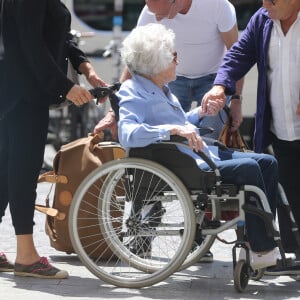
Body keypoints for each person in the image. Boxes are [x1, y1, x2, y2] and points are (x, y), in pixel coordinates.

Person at [116, 23, 294, 270]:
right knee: (250, 169)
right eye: (173, 55)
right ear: (155, 61)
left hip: (197, 155)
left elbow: (180, 123)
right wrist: (173, 130)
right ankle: (262, 247)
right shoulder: (132, 92)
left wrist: (200, 113)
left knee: (267, 162)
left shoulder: (162, 90)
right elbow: (127, 134)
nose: (178, 60)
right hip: (185, 166)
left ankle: (261, 240)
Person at [0, 0, 107, 278]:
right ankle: (26, 256)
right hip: (22, 95)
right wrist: (65, 87)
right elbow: (30, 45)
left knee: (5, 172)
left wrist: (86, 69)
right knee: (21, 174)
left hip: (16, 93)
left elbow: (58, 38)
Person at [201, 0, 300, 275]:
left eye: (272, 0)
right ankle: (293, 254)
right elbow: (238, 56)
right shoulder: (263, 19)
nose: (265, 4)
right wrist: (221, 86)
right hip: (280, 125)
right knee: (288, 190)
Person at [94, 0, 244, 142]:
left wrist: (236, 100)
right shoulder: (150, 12)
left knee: (209, 140)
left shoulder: (217, 5)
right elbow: (135, 62)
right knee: (169, 141)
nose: (158, 19)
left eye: (161, 14)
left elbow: (236, 55)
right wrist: (113, 112)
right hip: (172, 79)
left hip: (214, 82)